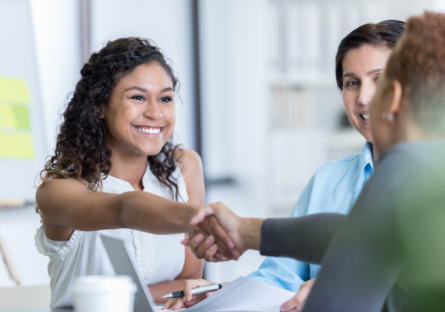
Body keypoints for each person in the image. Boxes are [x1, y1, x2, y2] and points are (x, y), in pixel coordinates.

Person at [183, 11, 445, 312]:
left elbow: (352, 239)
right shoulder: (330, 179)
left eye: (380, 80)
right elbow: (288, 271)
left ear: (399, 92)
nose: (363, 98)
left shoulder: (420, 172)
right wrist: (225, 293)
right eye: (351, 83)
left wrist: (245, 232)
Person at [34, 37, 234, 308]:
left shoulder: (184, 169)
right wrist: (195, 217)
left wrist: (188, 290)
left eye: (165, 98)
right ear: (99, 105)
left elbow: (186, 280)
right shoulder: (59, 191)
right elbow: (124, 208)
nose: (155, 113)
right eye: (138, 97)